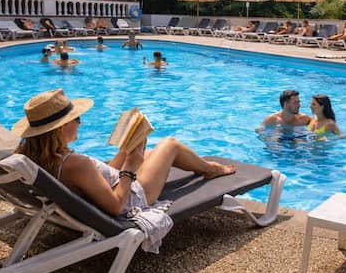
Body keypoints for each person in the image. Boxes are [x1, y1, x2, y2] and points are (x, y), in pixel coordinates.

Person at [13, 89, 235, 219]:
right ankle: (211, 169)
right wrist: (129, 166)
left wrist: (124, 152)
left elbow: (96, 179)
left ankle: (206, 168)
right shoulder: (76, 163)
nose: (80, 123)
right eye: (76, 119)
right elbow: (116, 206)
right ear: (61, 128)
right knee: (169, 145)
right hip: (133, 198)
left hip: (109, 188)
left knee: (151, 153)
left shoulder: (31, 156)